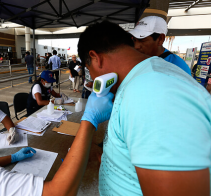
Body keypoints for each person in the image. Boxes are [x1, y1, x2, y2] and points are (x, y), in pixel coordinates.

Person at [77, 20, 211, 195]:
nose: (93, 78)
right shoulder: (142, 79)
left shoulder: (152, 92)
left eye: (89, 69)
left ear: (96, 58)